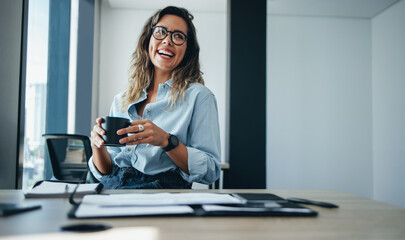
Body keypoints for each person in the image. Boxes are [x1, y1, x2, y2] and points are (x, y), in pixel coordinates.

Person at [89, 6, 221, 189]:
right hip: (114, 188)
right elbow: (107, 171)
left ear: (188, 49)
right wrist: (97, 146)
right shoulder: (121, 99)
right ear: (147, 40)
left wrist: (166, 141)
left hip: (162, 193)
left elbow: (211, 171)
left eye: (178, 36)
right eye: (160, 32)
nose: (167, 41)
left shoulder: (199, 96)